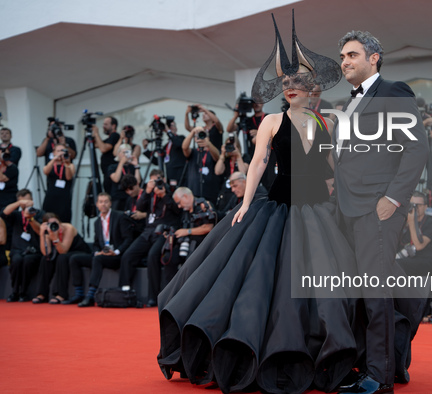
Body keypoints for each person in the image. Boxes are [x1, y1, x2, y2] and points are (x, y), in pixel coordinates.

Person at [157, 13, 357, 394]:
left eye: (298, 81)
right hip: (278, 207)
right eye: (286, 82)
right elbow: (258, 164)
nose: (291, 87)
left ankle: (332, 352)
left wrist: (338, 196)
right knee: (268, 283)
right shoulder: (270, 121)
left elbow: (332, 168)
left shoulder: (326, 122)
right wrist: (247, 204)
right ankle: (268, 351)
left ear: (311, 86)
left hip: (320, 210)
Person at [334, 30, 429, 391]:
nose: (345, 61)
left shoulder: (394, 91)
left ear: (373, 58)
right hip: (347, 210)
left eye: (352, 55)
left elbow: (417, 149)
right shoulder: (349, 102)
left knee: (375, 295)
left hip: (377, 209)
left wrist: (393, 198)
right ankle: (377, 365)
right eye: (342, 56)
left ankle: (379, 379)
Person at [119, 169, 181, 307]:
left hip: (164, 231)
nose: (156, 184)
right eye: (153, 181)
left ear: (163, 179)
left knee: (153, 255)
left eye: (158, 180)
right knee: (128, 255)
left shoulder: (171, 190)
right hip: (148, 232)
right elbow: (140, 207)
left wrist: (164, 195)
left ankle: (153, 297)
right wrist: (147, 191)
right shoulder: (149, 193)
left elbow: (177, 210)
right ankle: (124, 292)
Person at [68, 193, 134, 307]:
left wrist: (117, 251)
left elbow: (128, 239)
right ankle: (78, 293)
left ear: (110, 203)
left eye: (106, 201)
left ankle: (90, 295)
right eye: (101, 202)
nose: (103, 204)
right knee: (75, 259)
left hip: (116, 256)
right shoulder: (97, 222)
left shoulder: (119, 216)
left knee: (97, 260)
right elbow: (96, 243)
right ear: (97, 204)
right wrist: (97, 252)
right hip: (103, 254)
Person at [32, 213, 91, 304]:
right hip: (62, 253)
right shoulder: (48, 233)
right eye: (49, 224)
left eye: (55, 223)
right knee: (45, 260)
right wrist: (42, 235)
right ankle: (41, 294)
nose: (53, 226)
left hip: (79, 252)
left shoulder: (68, 228)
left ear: (60, 222)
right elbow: (46, 253)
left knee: (62, 258)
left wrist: (55, 238)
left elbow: (63, 250)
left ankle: (61, 294)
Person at [1, 189, 44, 302]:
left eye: (28, 200)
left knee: (28, 261)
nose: (26, 203)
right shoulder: (15, 215)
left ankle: (23, 292)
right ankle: (15, 292)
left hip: (34, 251)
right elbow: (4, 213)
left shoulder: (39, 213)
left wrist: (30, 218)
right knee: (16, 261)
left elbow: (39, 231)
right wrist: (19, 204)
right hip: (17, 250)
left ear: (32, 200)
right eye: (23, 201)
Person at [181, 126, 221, 205]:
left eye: (203, 135)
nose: (201, 138)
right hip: (194, 191)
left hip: (210, 192)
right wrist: (192, 132)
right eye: (198, 136)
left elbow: (217, 157)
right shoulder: (193, 152)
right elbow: (184, 147)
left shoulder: (212, 150)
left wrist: (208, 143)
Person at [143, 120, 186, 188]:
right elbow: (157, 161)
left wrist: (168, 131)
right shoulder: (166, 146)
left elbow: (178, 143)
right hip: (169, 177)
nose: (170, 128)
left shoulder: (181, 138)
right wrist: (146, 149)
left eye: (172, 125)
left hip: (180, 177)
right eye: (169, 126)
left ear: (176, 128)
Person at [41, 143, 75, 223]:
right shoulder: (51, 164)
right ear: (53, 153)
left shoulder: (70, 165)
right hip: (51, 196)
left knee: (64, 219)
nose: (60, 153)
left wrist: (66, 163)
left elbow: (69, 177)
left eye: (62, 151)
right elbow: (45, 171)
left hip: (64, 197)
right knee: (48, 218)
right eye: (58, 151)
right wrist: (54, 159)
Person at [107, 144, 142, 210]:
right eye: (124, 152)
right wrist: (121, 162)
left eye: (128, 152)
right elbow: (116, 179)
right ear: (118, 154)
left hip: (130, 197)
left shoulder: (131, 167)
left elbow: (137, 182)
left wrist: (136, 165)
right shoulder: (112, 167)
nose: (125, 155)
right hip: (118, 198)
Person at [92, 116, 120, 195]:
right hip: (106, 173)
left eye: (106, 124)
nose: (103, 127)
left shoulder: (115, 136)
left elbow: (103, 148)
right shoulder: (109, 138)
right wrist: (93, 135)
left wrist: (97, 134)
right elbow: (96, 145)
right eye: (103, 124)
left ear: (113, 126)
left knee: (110, 196)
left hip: (112, 174)